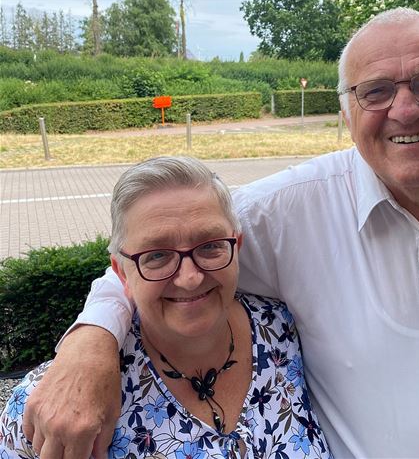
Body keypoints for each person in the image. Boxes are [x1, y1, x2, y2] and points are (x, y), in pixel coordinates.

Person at [19, 6, 419, 459]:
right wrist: (89, 347)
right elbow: (162, 259)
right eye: (375, 91)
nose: (405, 108)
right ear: (347, 111)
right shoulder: (284, 214)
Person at [0, 156, 332, 458]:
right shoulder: (52, 406)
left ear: (237, 245)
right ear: (121, 272)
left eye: (211, 246)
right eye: (157, 255)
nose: (189, 278)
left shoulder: (282, 329)